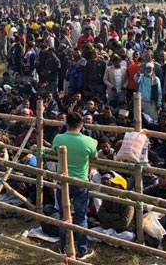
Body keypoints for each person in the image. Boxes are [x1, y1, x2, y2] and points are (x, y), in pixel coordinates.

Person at [52, 111, 97, 260]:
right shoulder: (88, 141)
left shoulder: (59, 138)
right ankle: (82, 249)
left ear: (66, 124)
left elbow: (53, 151)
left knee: (64, 215)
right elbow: (94, 156)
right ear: (81, 125)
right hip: (80, 182)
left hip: (62, 182)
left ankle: (63, 246)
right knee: (81, 216)